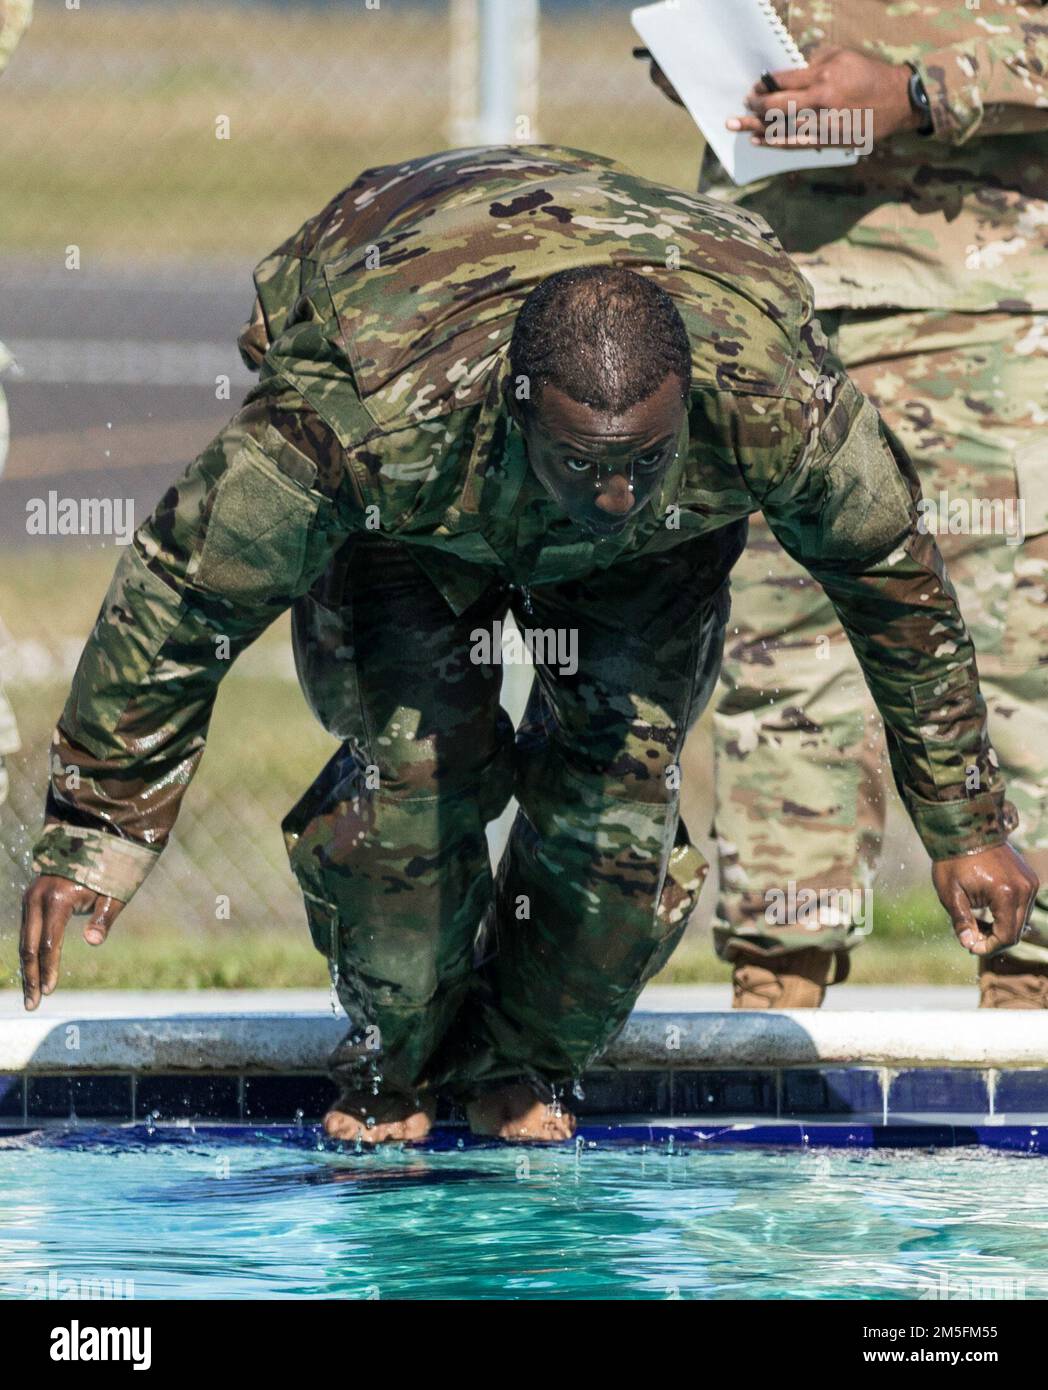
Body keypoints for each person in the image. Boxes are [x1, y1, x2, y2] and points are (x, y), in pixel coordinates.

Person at [20, 145, 1036, 1143]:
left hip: (653, 551)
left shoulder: (775, 407)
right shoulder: (363, 418)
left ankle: (518, 1060)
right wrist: (96, 825)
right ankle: (393, 1058)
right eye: (584, 460)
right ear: (515, 410)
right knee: (416, 777)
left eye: (644, 458)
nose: (612, 495)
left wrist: (962, 819)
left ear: (685, 404)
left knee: (620, 808)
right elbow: (184, 589)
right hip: (408, 507)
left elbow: (894, 586)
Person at [650, 1, 1048, 1007]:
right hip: (779, 300)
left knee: (1014, 666)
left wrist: (918, 93)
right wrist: (724, 82)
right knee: (782, 668)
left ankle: (1028, 997)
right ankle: (776, 1019)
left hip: (983, 309)